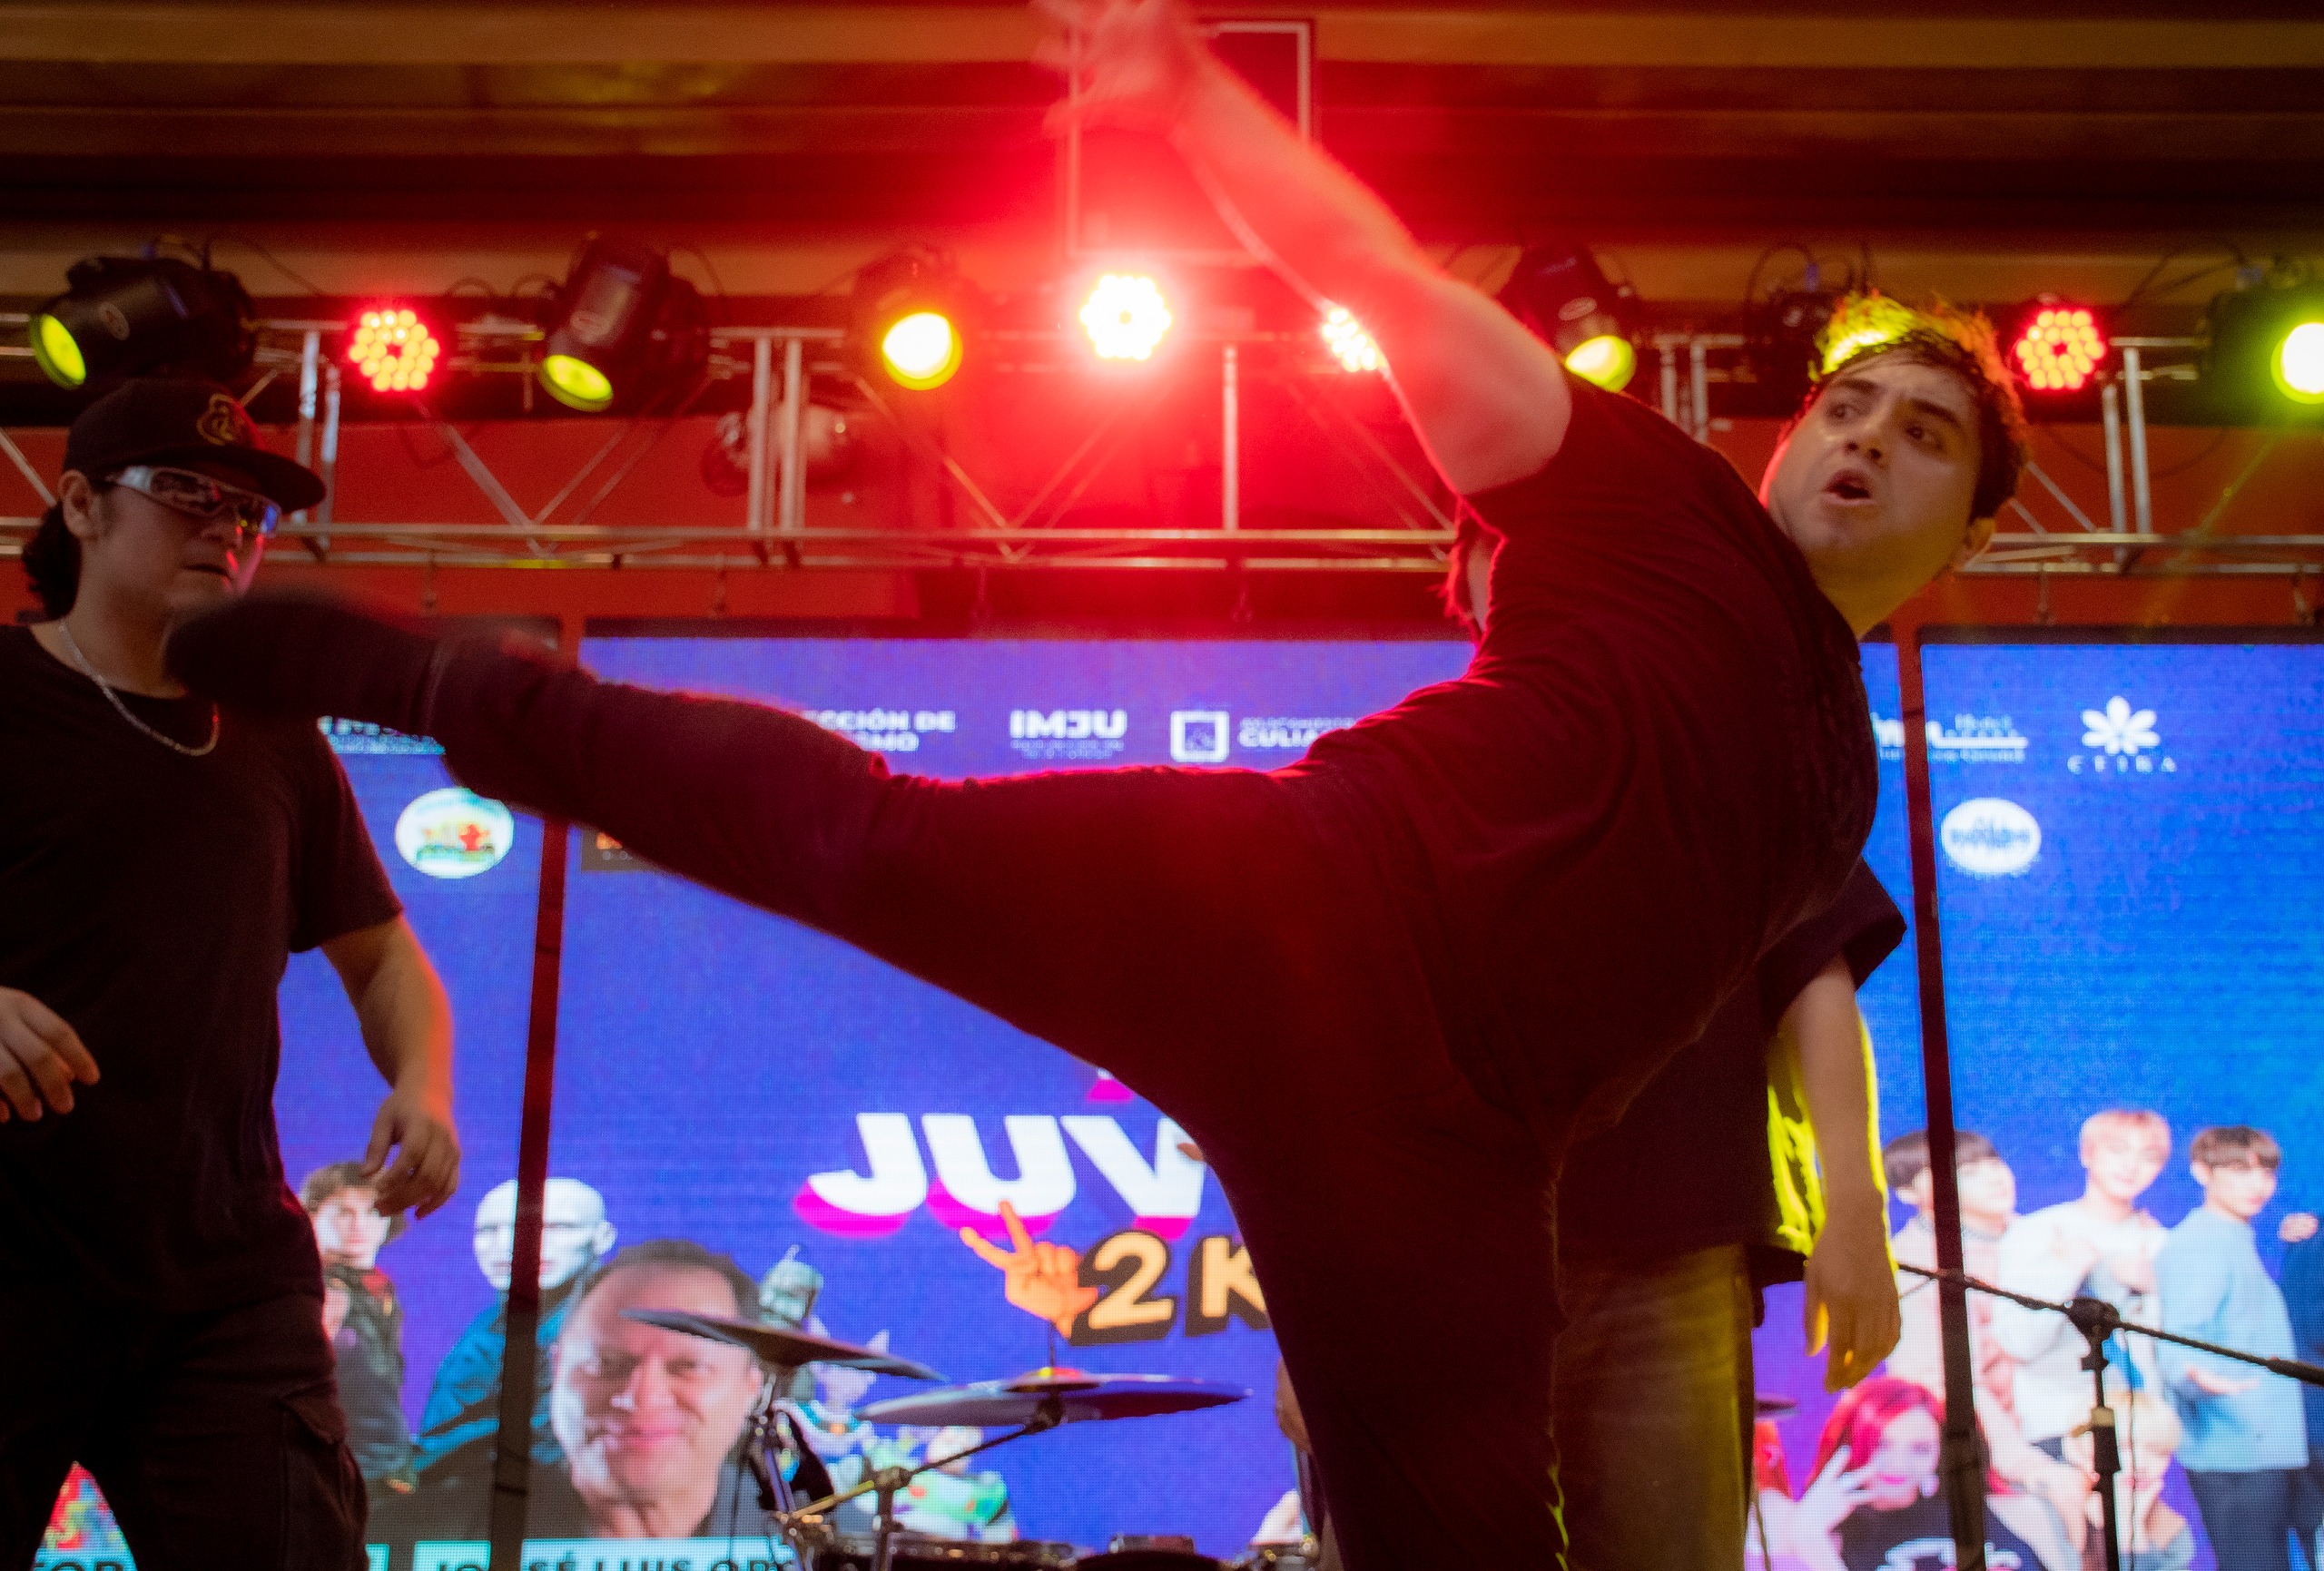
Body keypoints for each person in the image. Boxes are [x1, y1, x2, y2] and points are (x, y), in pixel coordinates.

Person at [162, 2, 2024, 1561]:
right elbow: (1376, 280)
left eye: (1922, 432)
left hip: (1454, 1167)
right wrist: (1188, 96)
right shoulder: (1650, 496)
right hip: (1302, 902)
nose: (1862, 437)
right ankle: (436, 683)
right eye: (1845, 403)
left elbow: (1771, 1007)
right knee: (865, 839)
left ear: (1966, 529)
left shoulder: (1830, 786)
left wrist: (1812, 1220)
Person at [0, 378, 459, 1571]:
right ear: (81, 505)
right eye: (186, 492)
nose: (228, 527)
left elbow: (383, 953)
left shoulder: (273, 734)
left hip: (220, 1283)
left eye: (249, 510)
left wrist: (422, 1082)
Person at [1547, 856, 1906, 1571]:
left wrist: (1856, 1208)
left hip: (1671, 1238)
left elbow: (1813, 966)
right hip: (1443, 1251)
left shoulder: (1728, 782)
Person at [535, 1240, 774, 1541]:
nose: (641, 1398)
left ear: (751, 1388)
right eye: (606, 1364)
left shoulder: (813, 1539)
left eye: (689, 1367)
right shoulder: (478, 1516)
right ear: (556, 1369)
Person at [2156, 1126, 2308, 1571]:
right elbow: (2179, 1340)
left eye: (2267, 1173)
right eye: (2240, 1170)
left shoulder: (2232, 1236)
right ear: (2202, 1172)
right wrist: (2198, 1377)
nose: (2258, 1184)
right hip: (2234, 1448)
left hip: (2263, 1442)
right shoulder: (2200, 1243)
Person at [412, 1175, 617, 1486]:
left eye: (555, 1228)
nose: (508, 1246)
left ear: (602, 1237)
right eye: (488, 1230)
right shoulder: (488, 1326)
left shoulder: (612, 1331)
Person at [1994, 1110, 2172, 1459]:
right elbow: (2019, 1343)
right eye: (2117, 1150)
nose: (2131, 1165)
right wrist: (2065, 1269)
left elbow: (2173, 1354)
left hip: (2141, 1430)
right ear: (2087, 1153)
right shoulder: (2037, 1231)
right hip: (2058, 1425)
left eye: (2148, 1156)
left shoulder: (2162, 1243)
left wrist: (2153, 1291)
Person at [1787, 1376, 2073, 1571]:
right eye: (1882, 1445)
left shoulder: (1988, 1510)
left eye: (1920, 1449)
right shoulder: (1826, 1534)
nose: (1899, 1464)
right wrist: (1810, 1538)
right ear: (1852, 1442)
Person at [302, 1160, 419, 1497]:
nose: (359, 1225)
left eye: (372, 1212)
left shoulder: (381, 1290)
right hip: (328, 1472)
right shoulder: (309, 1289)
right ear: (313, 1216)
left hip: (387, 1468)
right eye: (343, 1212)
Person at [2060, 1390, 2194, 1571]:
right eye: (2124, 1447)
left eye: (2158, 1452)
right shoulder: (2058, 1516)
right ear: (2084, 1451)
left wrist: (2131, 1527)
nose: (2142, 1463)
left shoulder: (2171, 1529)